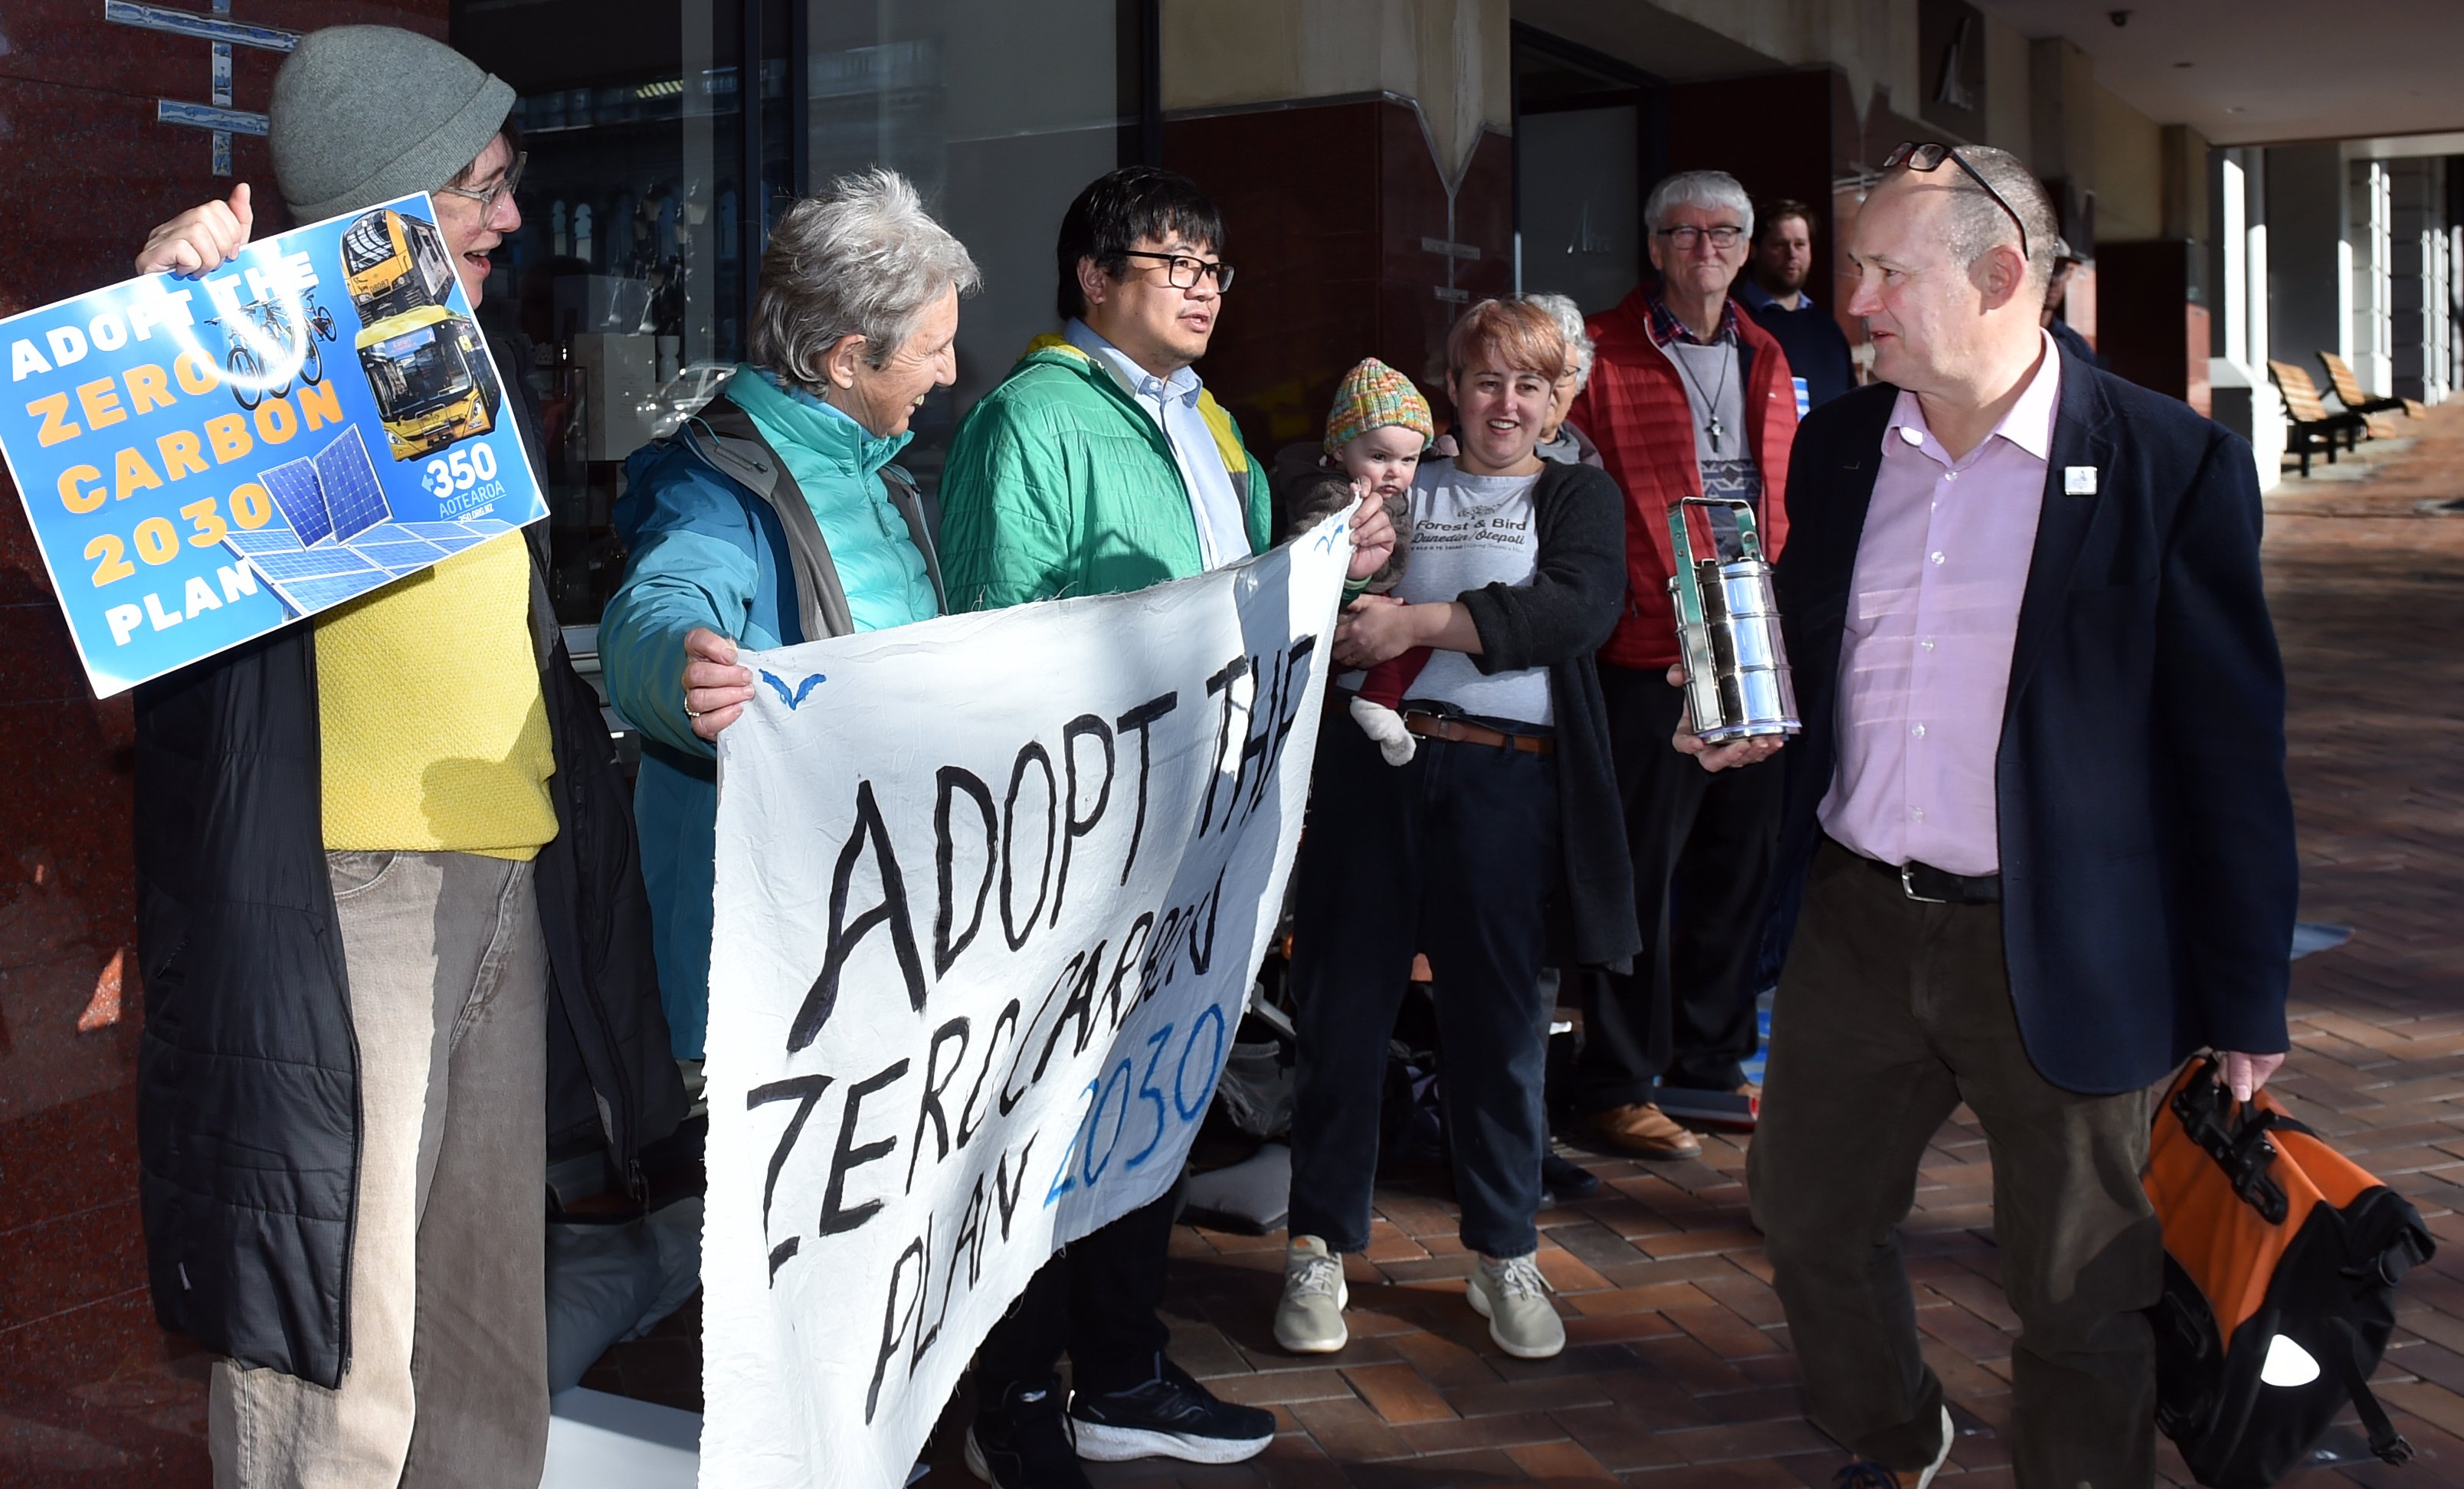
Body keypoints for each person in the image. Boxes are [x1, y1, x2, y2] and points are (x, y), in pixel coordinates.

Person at [128, 25, 687, 1486]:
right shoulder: (236, 363)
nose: (512, 216)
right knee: (342, 1347)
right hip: (346, 901)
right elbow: (129, 565)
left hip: (499, 880)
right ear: (377, 203)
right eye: (481, 186)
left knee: (481, 1335)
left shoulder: (459, 360)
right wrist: (158, 329)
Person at [1720, 141, 2295, 1487]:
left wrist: (2245, 993)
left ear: (1998, 275)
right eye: (1853, 267)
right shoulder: (1849, 442)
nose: (1852, 300)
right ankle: (1893, 1426)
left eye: (1882, 271)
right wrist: (1749, 707)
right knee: (1804, 1216)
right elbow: (1820, 642)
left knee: (2080, 1284)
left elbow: (2229, 749)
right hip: (1858, 918)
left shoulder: (2169, 463)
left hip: (2067, 932)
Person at [936, 165, 1394, 1489]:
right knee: (1036, 1121)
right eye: (1172, 260)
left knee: (1147, 1103)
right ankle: (1015, 1389)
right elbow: (997, 628)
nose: (1202, 285)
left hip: (1196, 830)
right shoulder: (1031, 416)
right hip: (1079, 843)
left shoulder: (1211, 419)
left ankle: (1121, 1369)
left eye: (1214, 266)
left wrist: (1326, 560)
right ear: (1092, 278)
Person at [1275, 299, 1634, 1363]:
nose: (1506, 405)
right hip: (1374, 782)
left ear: (1560, 400)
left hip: (1507, 790)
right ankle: (1317, 1245)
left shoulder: (1579, 498)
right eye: (1485, 382)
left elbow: (1575, 610)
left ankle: (1503, 1250)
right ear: (1453, 391)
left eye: (1531, 386)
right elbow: (1306, 496)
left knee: (1501, 1034)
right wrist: (1326, 531)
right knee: (1341, 1015)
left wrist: (1419, 625)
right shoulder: (1401, 479)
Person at [596, 169, 978, 1055]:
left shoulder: (879, 471)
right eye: (933, 347)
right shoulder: (714, 481)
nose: (951, 370)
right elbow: (661, 603)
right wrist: (678, 673)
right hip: (785, 956)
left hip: (887, 919)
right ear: (847, 360)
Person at [1564, 169, 1797, 1160]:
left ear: (1747, 250)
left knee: (1737, 861)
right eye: (1684, 231)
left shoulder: (1767, 350)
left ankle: (1708, 1063)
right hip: (1649, 646)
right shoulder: (1601, 351)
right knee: (1640, 873)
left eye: (1725, 232)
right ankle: (1618, 1081)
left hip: (1748, 637)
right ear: (1654, 247)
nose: (1706, 247)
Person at [1277, 358, 1434, 764]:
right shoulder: (1338, 496)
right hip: (1332, 607)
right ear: (1341, 449)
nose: (1395, 473)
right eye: (1380, 457)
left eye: (1410, 460)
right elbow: (1303, 556)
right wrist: (1343, 573)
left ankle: (1374, 701)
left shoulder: (1373, 484)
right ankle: (1376, 701)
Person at [1735, 198, 1859, 411]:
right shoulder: (1733, 320)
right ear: (1753, 250)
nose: (1792, 254)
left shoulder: (1827, 328)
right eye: (1780, 245)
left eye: (1800, 244)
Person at [1522, 293, 1605, 466]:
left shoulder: (1590, 464)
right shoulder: (1464, 456)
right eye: (1536, 372)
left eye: (1562, 373)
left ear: (1578, 381)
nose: (1548, 386)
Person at [2042, 235, 2106, 370]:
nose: (2053, 279)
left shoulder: (2075, 346)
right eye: (2045, 268)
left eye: (2059, 269)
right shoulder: (2000, 335)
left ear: (2069, 273)